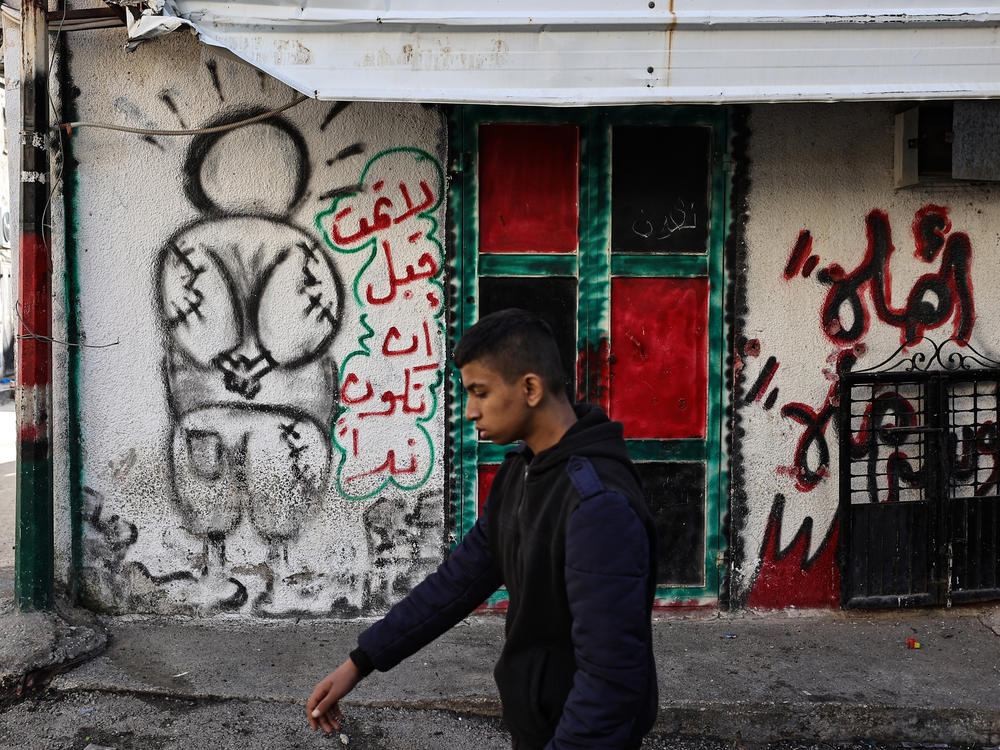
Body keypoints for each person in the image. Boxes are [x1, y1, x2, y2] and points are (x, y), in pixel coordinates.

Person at [307, 308, 658, 749]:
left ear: (530, 388)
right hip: (537, 727)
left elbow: (609, 682)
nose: (470, 410)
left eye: (480, 392)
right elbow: (456, 583)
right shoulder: (522, 474)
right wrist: (360, 662)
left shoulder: (596, 506)